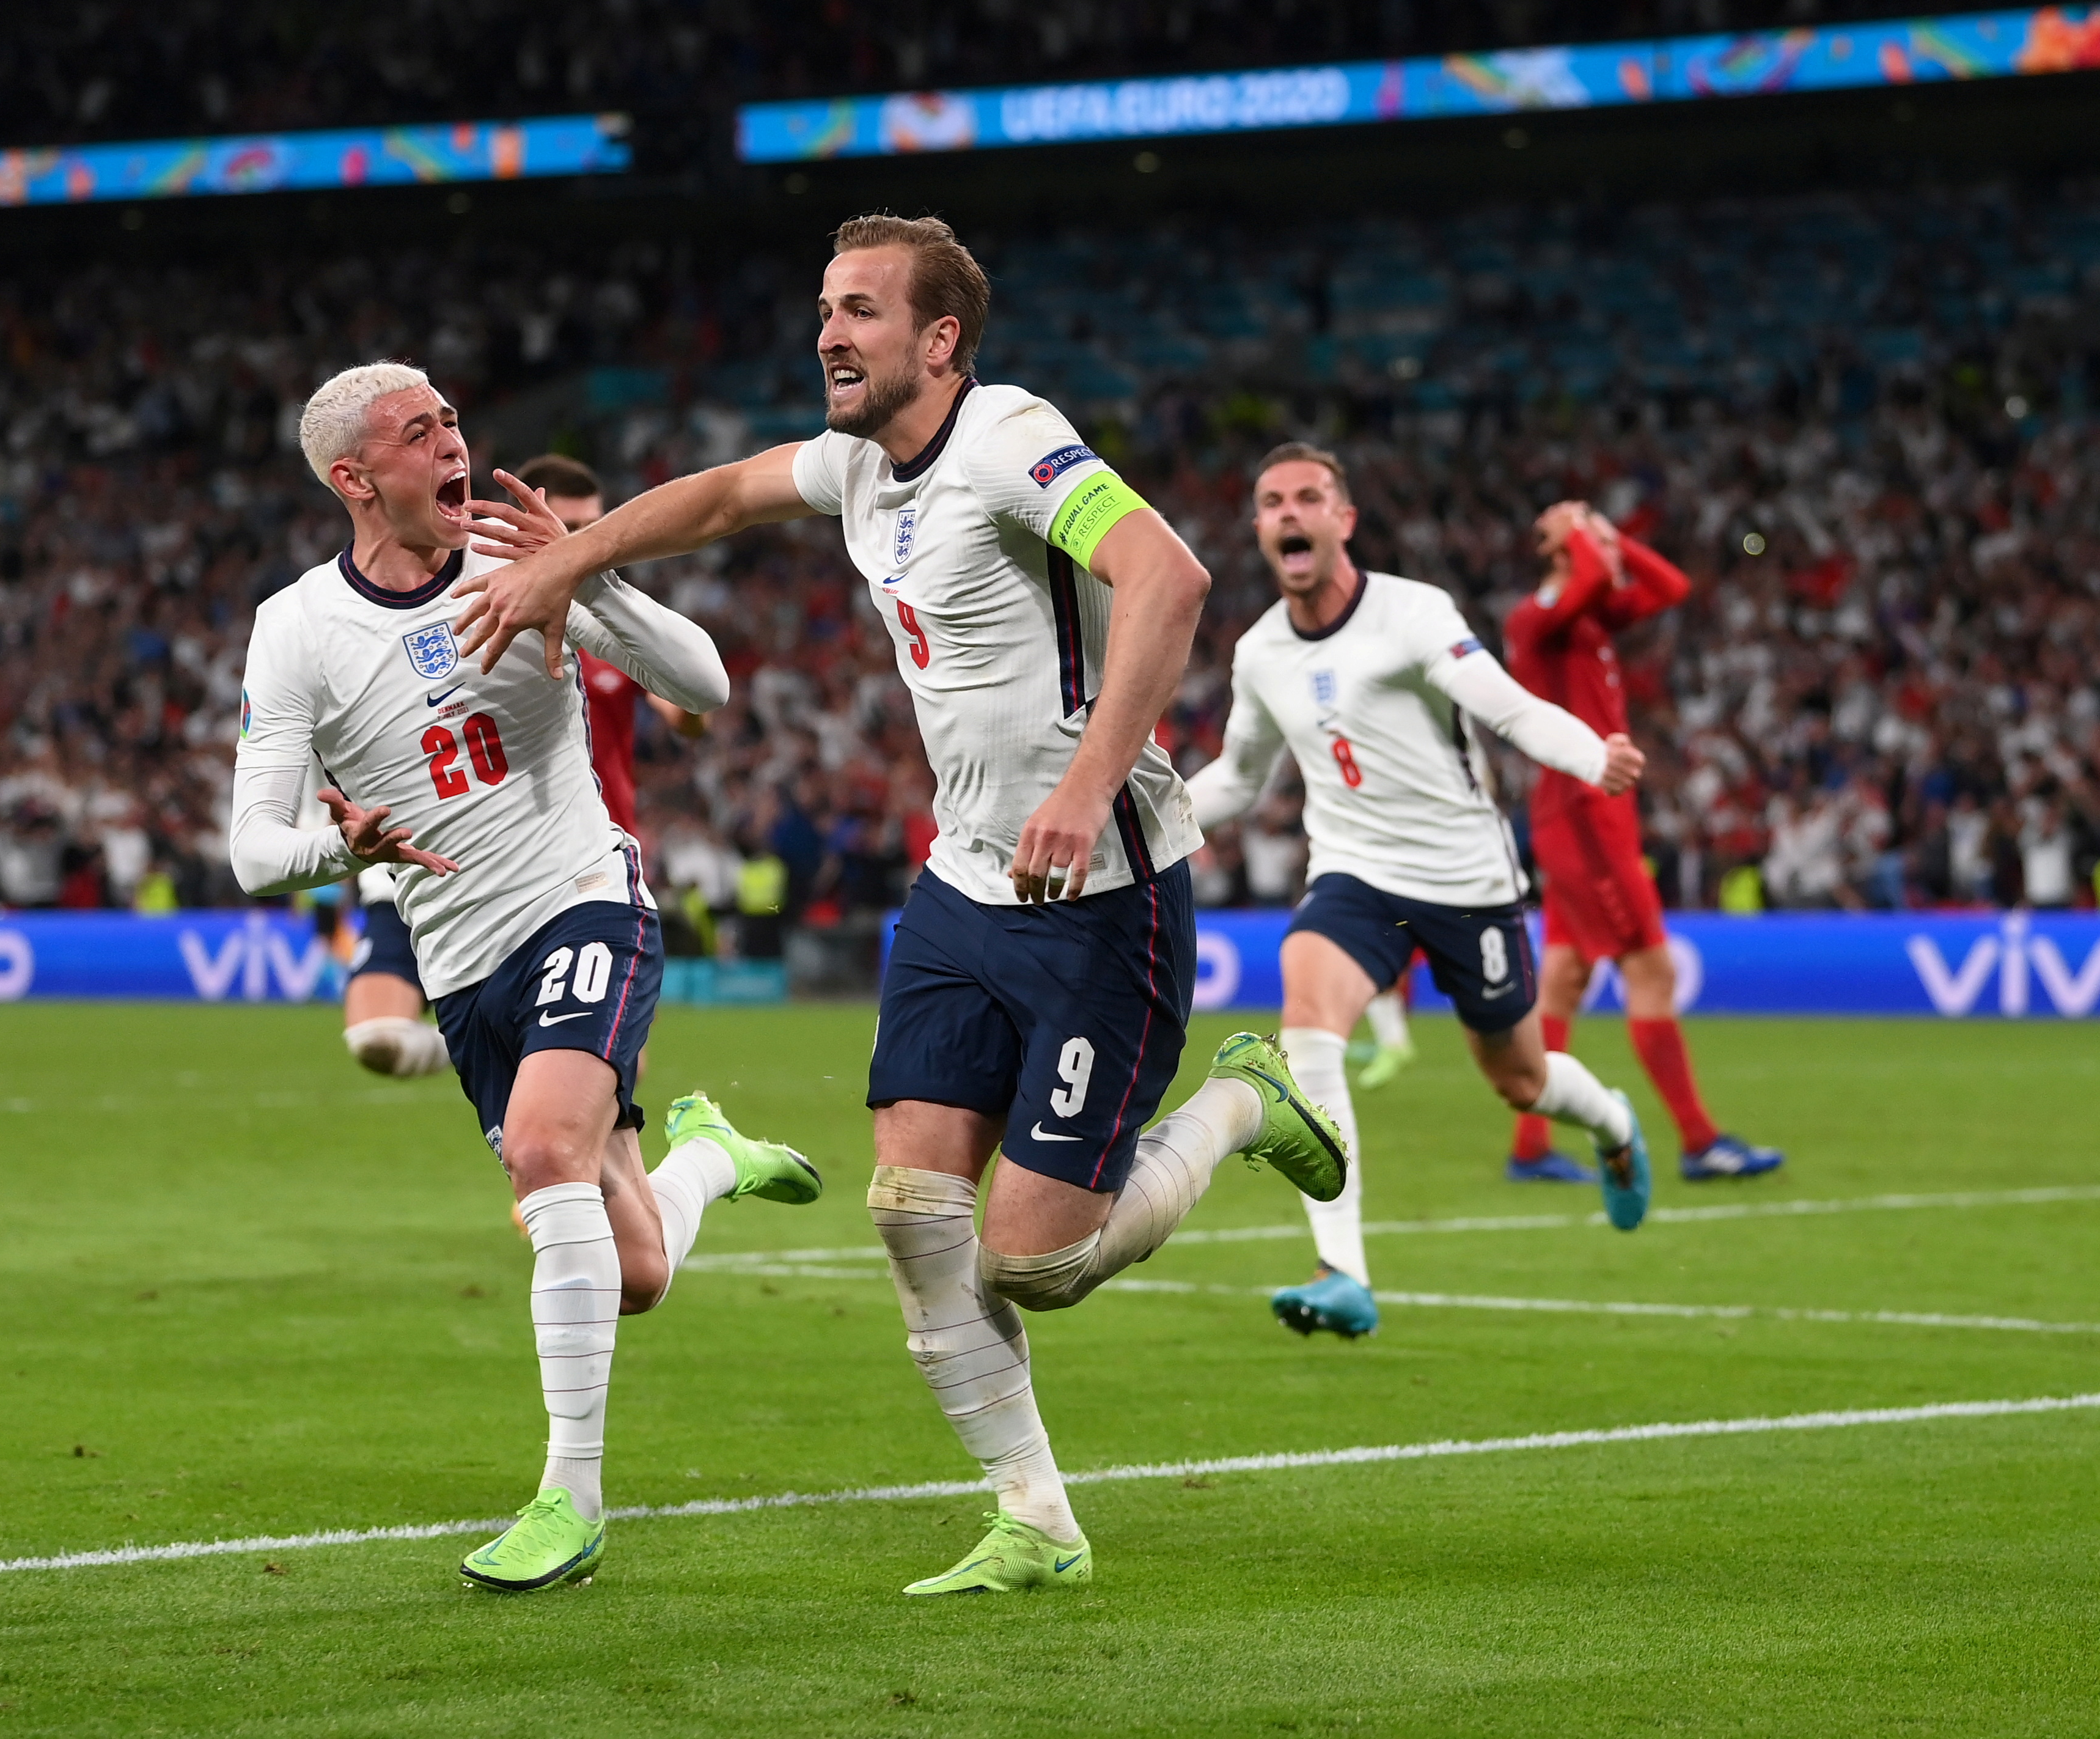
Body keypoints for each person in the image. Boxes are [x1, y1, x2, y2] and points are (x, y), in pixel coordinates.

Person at [451, 214, 1347, 1596]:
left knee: (1038, 1263)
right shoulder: (859, 463)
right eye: (825, 307)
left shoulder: (1008, 438)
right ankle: (1036, 1517)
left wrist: (1084, 785)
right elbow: (720, 497)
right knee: (912, 1209)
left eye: (860, 309)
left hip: (1102, 892)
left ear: (940, 340)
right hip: (963, 886)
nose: (828, 332)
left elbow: (1169, 575)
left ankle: (1241, 1101)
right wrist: (573, 558)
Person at [227, 361, 823, 1594]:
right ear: (354, 478)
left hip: (584, 899)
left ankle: (571, 1500)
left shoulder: (519, 559)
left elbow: (704, 686)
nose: (453, 442)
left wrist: (584, 569)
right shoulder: (296, 629)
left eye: (451, 419)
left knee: (547, 1152)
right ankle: (712, 1158)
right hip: (462, 967)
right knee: (636, 1271)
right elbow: (253, 851)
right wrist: (348, 850)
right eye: (418, 432)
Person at [1187, 446, 1654, 1344]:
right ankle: (1343, 1272)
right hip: (1354, 873)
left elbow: (1506, 707)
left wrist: (1592, 756)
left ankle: (1610, 1122)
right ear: (1259, 528)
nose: (1291, 512)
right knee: (1308, 1022)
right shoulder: (1261, 652)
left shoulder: (1413, 612)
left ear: (1344, 520)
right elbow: (1240, 780)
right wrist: (1134, 821)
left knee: (1520, 1080)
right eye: (1273, 501)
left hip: (1465, 880)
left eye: (1310, 497)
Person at [338, 454, 710, 1081]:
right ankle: (500, 1049)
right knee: (379, 1041)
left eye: (593, 526)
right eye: (570, 524)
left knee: (613, 1073)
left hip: (580, 861)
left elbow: (688, 713)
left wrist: (680, 681)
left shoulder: (607, 620)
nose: (582, 541)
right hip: (457, 852)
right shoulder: (467, 606)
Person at [1504, 503, 1785, 1183]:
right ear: (1558, 547)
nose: (1605, 543)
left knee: (1564, 979)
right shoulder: (1538, 617)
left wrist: (1609, 535)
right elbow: (1596, 575)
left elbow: (1670, 587)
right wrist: (1583, 532)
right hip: (1582, 816)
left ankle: (1531, 1147)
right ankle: (1699, 1141)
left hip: (1592, 814)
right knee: (1651, 971)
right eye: (1590, 534)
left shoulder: (1588, 617)